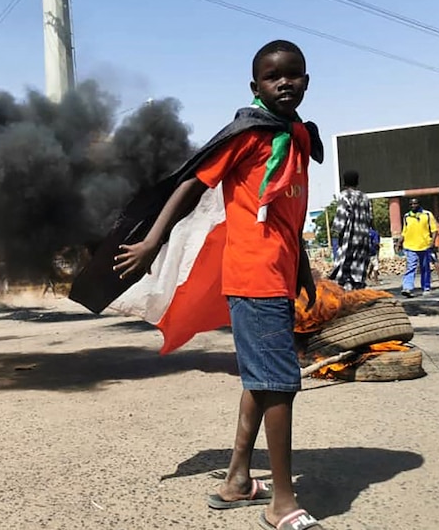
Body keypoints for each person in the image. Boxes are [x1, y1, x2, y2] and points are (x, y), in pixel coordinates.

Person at [113, 40, 323, 530]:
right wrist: (151, 241)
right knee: (280, 386)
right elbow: (190, 185)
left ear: (307, 82)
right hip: (253, 277)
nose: (284, 83)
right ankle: (282, 503)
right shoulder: (247, 134)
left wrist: (303, 267)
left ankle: (236, 482)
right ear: (256, 87)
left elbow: (289, 210)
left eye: (293, 75)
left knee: (262, 379)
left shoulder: (296, 138)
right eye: (273, 77)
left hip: (276, 274)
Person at [328, 170, 372, 290]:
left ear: (344, 181)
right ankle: (359, 290)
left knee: (346, 269)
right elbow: (370, 218)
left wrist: (336, 231)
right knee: (360, 266)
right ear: (357, 182)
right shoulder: (365, 197)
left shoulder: (344, 195)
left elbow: (340, 219)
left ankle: (348, 293)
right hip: (364, 238)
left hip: (350, 238)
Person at [400, 198, 436, 298]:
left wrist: (432, 242)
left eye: (415, 204)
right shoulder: (407, 216)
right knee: (411, 267)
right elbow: (404, 231)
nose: (413, 206)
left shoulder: (427, 215)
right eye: (411, 204)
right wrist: (399, 241)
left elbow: (434, 230)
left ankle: (426, 287)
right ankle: (407, 287)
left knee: (425, 268)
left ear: (419, 204)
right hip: (410, 246)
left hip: (424, 245)